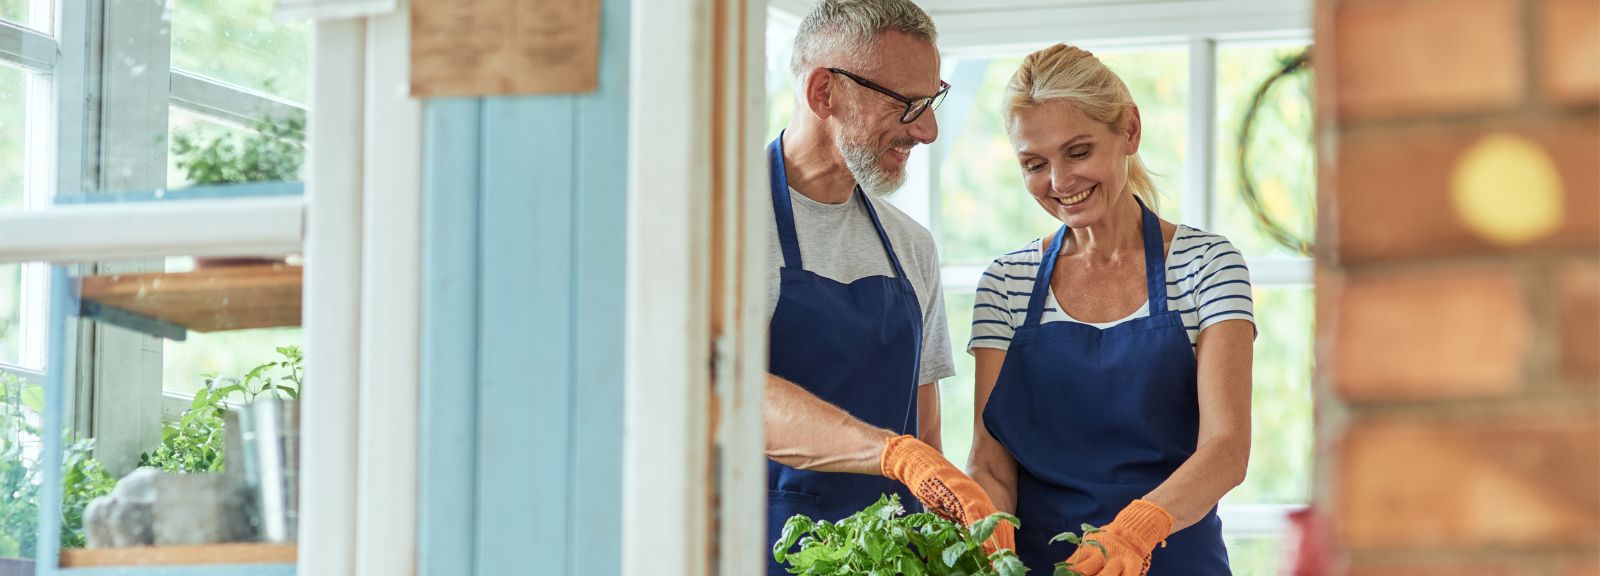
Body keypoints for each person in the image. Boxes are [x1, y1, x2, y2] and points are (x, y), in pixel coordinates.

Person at [966, 43, 1255, 576]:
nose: (1059, 183)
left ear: (1129, 131)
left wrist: (1135, 532)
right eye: (1034, 164)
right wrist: (991, 551)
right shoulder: (1007, 282)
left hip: (1175, 561)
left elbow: (1226, 448)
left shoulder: (1206, 265)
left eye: (1078, 152)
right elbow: (991, 460)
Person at [763, 1, 1013, 574]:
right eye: (907, 104)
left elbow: (925, 429)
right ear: (824, 93)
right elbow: (728, 395)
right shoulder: (723, 227)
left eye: (933, 100)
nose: (927, 130)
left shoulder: (910, 246)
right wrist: (893, 455)